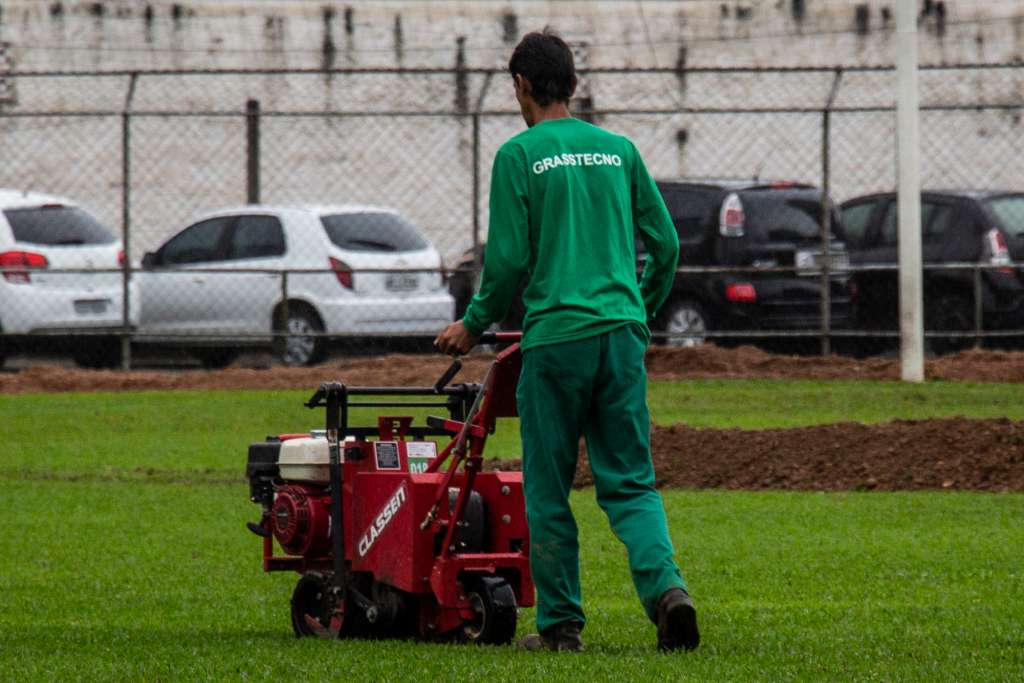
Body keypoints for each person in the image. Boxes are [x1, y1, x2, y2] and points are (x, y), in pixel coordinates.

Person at [434, 29, 699, 653]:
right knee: (630, 482)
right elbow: (666, 245)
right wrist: (640, 310)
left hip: (557, 343)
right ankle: (668, 593)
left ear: (521, 86)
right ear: (574, 84)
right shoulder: (619, 150)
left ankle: (560, 627)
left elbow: (505, 261)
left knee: (548, 487)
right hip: (621, 338)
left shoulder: (519, 156)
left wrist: (472, 323)